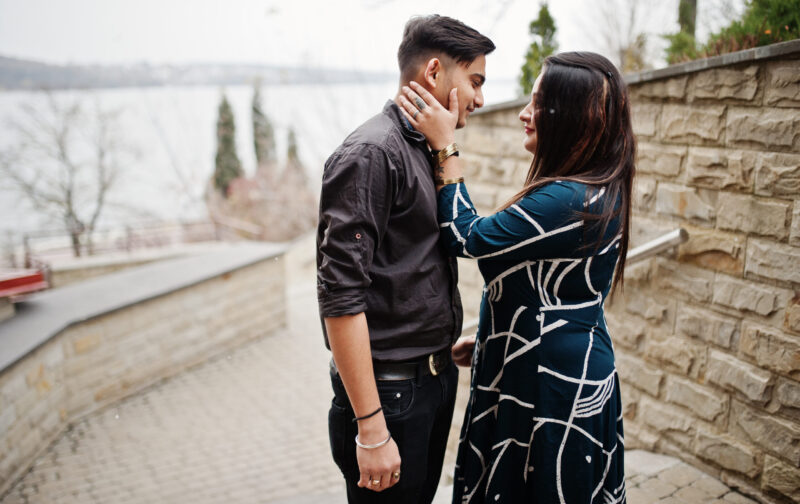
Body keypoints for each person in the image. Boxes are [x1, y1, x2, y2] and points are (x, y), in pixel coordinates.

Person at [397, 51, 632, 503]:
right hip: (544, 361)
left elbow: (467, 237)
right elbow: (549, 281)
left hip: (551, 382)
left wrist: (446, 146)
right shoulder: (596, 185)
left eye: (539, 102)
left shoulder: (569, 199)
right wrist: (495, 338)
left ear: (574, 114)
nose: (525, 113)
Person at [316, 15, 495, 504]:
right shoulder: (371, 153)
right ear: (434, 72)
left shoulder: (427, 147)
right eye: (474, 81)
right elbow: (340, 299)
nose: (479, 99)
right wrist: (372, 429)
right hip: (390, 400)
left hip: (432, 383)